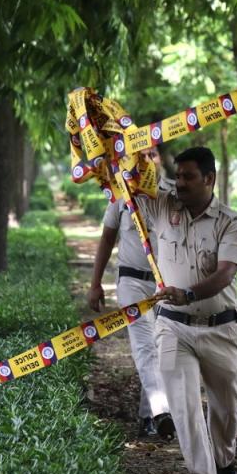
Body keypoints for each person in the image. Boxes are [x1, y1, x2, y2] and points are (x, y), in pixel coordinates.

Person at [140, 146, 237, 474]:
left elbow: (224, 274)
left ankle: (224, 460)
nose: (179, 183)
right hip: (173, 327)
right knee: (185, 408)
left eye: (188, 176)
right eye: (177, 175)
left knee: (225, 407)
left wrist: (187, 293)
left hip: (221, 328)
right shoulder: (162, 207)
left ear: (210, 179)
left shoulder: (232, 223)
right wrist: (132, 152)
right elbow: (132, 181)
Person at [87, 147, 173, 439]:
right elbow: (107, 238)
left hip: (165, 287)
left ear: (160, 159)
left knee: (162, 350)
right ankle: (162, 412)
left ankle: (147, 416)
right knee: (145, 346)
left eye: (154, 154)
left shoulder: (171, 195)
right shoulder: (120, 194)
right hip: (131, 283)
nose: (148, 159)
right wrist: (95, 282)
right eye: (143, 153)